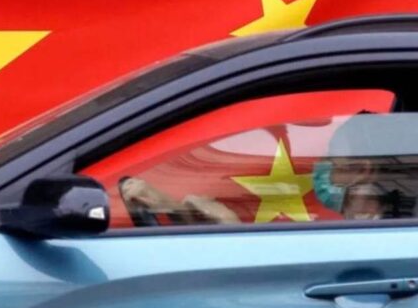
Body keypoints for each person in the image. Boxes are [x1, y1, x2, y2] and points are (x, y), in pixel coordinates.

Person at [120, 113, 418, 225]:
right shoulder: (377, 229)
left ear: (362, 171)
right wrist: (176, 211)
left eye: (332, 162)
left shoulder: (388, 242)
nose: (320, 172)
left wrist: (232, 229)